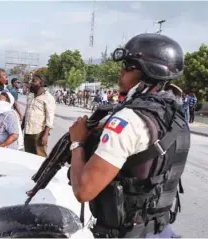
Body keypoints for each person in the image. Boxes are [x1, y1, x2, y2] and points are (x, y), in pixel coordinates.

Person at [67, 33, 190, 238]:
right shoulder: (175, 114)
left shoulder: (128, 120)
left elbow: (83, 191)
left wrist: (77, 142)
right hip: (161, 230)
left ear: (149, 71)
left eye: (127, 66)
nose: (120, 71)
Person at [23, 75, 56, 157]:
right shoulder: (30, 96)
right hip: (27, 132)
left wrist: (45, 135)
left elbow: (50, 118)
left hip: (39, 133)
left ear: (41, 83)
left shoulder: (48, 98)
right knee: (28, 156)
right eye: (31, 81)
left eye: (34, 81)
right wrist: (21, 127)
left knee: (40, 157)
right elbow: (27, 113)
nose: (31, 83)